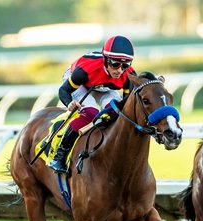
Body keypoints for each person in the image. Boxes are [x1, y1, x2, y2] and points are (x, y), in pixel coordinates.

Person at [48, 35, 137, 174]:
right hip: (83, 83)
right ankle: (59, 155)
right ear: (106, 60)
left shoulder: (129, 76)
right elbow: (63, 90)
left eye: (125, 65)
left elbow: (126, 106)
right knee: (90, 114)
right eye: (115, 64)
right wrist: (69, 103)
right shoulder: (83, 71)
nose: (119, 70)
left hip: (105, 88)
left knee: (114, 113)